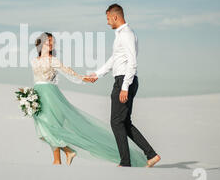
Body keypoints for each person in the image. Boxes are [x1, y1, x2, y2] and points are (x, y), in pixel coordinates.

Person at [31, 32, 147, 166]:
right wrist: (30, 96)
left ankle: (57, 160)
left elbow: (68, 72)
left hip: (51, 95)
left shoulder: (53, 60)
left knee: (52, 126)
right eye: (48, 42)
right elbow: (35, 79)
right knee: (42, 130)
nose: (51, 44)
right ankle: (68, 151)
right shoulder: (34, 61)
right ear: (40, 44)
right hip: (38, 94)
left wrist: (83, 78)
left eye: (52, 42)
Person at [86, 3, 161, 168]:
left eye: (107, 19)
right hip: (123, 79)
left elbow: (132, 61)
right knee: (124, 122)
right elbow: (115, 59)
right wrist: (97, 74)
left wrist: (125, 86)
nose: (107, 22)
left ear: (115, 17)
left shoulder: (126, 34)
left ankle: (125, 162)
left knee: (116, 122)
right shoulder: (120, 35)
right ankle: (151, 155)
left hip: (124, 80)